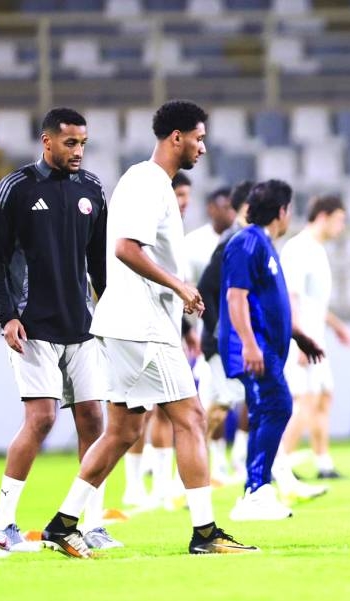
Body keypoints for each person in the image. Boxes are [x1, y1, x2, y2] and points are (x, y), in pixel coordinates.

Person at [39, 100, 257, 557]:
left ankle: (62, 524)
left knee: (122, 432)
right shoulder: (146, 182)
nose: (202, 146)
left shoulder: (150, 183)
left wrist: (178, 290)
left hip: (130, 323)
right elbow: (124, 248)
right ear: (176, 136)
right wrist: (179, 286)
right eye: (198, 137)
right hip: (142, 326)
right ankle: (205, 534)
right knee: (192, 418)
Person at [0, 107, 119, 552]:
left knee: (95, 422)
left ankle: (92, 524)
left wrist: (112, 313)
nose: (78, 151)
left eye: (83, 143)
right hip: (33, 326)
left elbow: (98, 262)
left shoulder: (92, 189)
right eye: (70, 143)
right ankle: (3, 523)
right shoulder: (16, 188)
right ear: (47, 141)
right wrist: (8, 316)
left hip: (80, 325)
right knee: (40, 419)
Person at [219, 179, 326, 520]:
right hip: (252, 348)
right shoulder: (247, 243)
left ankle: (256, 491)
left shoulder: (263, 245)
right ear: (282, 211)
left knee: (268, 410)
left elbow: (269, 304)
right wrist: (250, 344)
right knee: (277, 406)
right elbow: (236, 297)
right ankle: (256, 491)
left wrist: (297, 335)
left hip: (268, 347)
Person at [121, 171, 200, 510]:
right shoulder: (149, 223)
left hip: (166, 326)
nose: (183, 202)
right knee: (141, 414)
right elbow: (133, 263)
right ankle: (135, 486)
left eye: (186, 197)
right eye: (179, 195)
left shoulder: (179, 235)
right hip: (139, 326)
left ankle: (162, 485)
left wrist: (185, 330)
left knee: (166, 413)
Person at [280, 195, 350, 480]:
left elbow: (313, 301)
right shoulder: (298, 249)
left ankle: (324, 464)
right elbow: (291, 298)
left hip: (316, 336)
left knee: (323, 396)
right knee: (304, 401)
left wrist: (335, 325)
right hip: (302, 338)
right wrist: (299, 339)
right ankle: (279, 464)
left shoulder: (317, 249)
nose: (341, 227)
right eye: (339, 220)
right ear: (323, 216)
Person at [197, 180, 253, 484]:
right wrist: (218, 330)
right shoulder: (232, 241)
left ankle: (232, 464)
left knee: (237, 401)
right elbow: (205, 286)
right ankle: (195, 465)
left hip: (233, 339)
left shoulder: (247, 238)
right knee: (222, 404)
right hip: (221, 340)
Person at [185, 186, 234, 286]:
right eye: (226, 207)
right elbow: (187, 281)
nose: (231, 213)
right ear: (211, 208)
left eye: (234, 208)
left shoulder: (242, 241)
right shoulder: (193, 241)